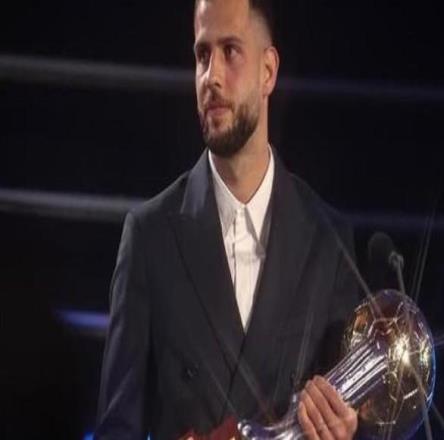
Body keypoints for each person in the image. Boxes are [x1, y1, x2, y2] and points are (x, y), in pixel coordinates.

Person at [95, 0, 360, 438]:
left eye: (231, 51)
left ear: (268, 71)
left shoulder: (327, 239)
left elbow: (351, 416)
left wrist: (346, 428)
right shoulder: (149, 237)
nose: (211, 76)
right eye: (203, 55)